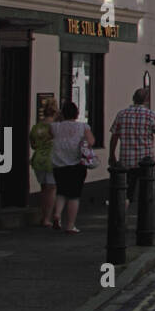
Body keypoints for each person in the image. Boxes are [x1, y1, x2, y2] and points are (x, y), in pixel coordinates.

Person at [50, 100, 95, 233]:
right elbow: (91, 141)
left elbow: (50, 137)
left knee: (61, 191)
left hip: (58, 164)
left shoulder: (55, 127)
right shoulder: (83, 127)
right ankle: (70, 225)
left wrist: (58, 119)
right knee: (74, 195)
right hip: (76, 163)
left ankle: (57, 214)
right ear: (77, 113)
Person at [29, 99, 60, 227]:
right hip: (52, 160)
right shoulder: (56, 127)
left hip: (39, 159)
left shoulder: (37, 127)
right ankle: (47, 218)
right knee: (52, 189)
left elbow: (33, 145)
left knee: (43, 188)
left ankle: (44, 215)